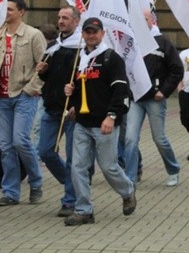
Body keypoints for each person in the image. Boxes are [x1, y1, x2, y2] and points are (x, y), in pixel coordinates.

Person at [62, 17, 135, 226]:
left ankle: (128, 190)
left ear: (102, 34)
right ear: (82, 34)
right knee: (78, 167)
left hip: (104, 122)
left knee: (108, 167)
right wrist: (71, 96)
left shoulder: (112, 58)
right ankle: (84, 210)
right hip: (82, 123)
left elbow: (120, 90)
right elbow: (81, 88)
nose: (91, 35)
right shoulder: (79, 59)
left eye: (95, 31)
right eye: (87, 31)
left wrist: (111, 116)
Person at [0, 0, 46, 206]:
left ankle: (36, 182)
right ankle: (11, 192)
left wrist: (31, 89)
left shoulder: (33, 35)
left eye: (10, 9)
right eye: (4, 9)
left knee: (20, 141)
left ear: (21, 12)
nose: (6, 13)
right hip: (1, 98)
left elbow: (44, 65)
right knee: (5, 146)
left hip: (23, 95)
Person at [123, 9, 183, 187]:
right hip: (135, 98)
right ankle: (130, 177)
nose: (142, 22)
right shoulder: (131, 42)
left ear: (153, 21)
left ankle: (173, 169)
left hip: (155, 99)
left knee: (159, 138)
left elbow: (177, 69)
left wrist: (164, 91)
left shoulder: (163, 42)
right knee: (130, 139)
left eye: (145, 19)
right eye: (138, 20)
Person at [35, 6, 82, 217]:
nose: (61, 21)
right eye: (59, 18)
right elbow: (48, 77)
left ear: (76, 21)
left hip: (72, 110)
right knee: (45, 151)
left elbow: (84, 80)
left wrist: (76, 104)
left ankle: (69, 200)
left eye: (66, 18)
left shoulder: (82, 47)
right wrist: (43, 72)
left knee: (73, 157)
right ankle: (72, 182)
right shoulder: (53, 46)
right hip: (52, 108)